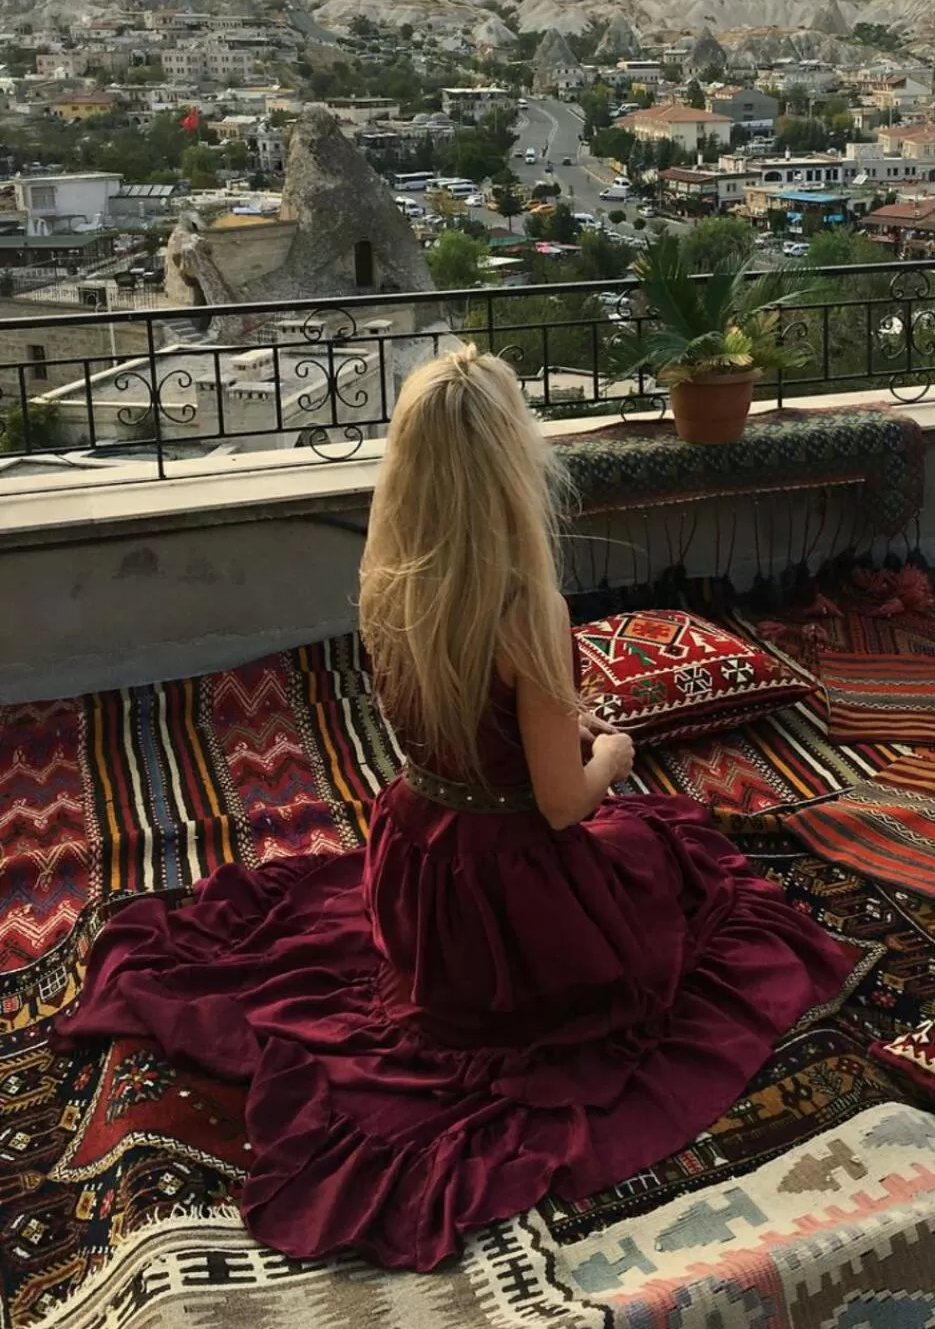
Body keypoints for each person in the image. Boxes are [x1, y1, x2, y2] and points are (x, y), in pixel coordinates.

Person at [55, 346, 855, 1271]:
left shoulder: (387, 579)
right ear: (513, 467)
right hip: (518, 891)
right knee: (668, 847)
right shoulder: (527, 608)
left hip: (421, 853)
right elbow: (560, 807)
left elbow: (455, 731)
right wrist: (613, 751)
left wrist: (554, 719)